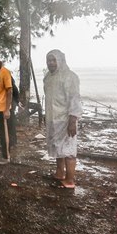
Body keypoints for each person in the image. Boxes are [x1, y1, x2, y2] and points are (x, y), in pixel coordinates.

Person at [43, 49, 82, 189]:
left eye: (54, 60)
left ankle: (70, 180)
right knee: (58, 147)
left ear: (60, 60)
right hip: (53, 118)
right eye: (49, 60)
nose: (51, 63)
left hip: (66, 119)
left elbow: (75, 99)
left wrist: (72, 121)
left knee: (69, 150)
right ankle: (60, 173)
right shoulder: (48, 77)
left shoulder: (70, 77)